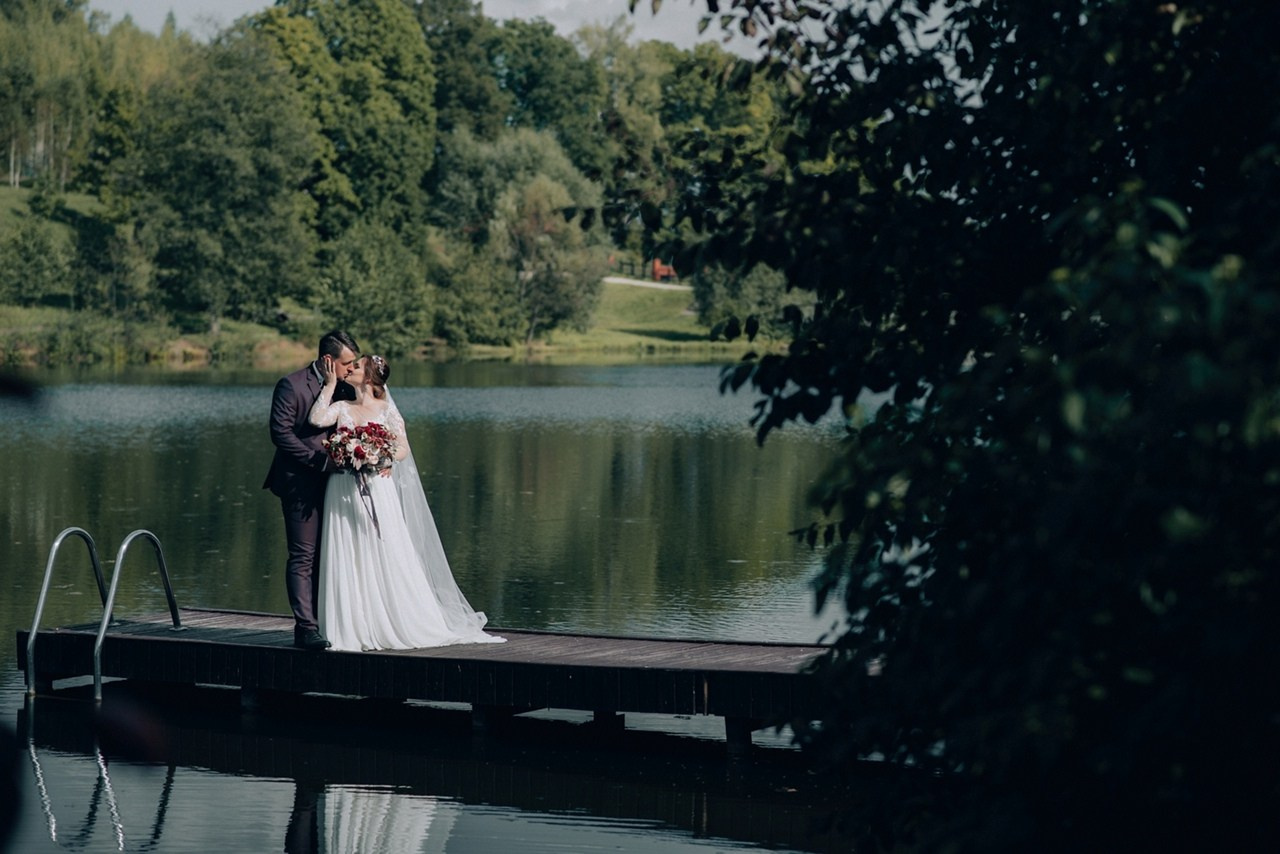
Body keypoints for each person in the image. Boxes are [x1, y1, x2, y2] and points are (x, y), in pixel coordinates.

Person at [309, 354, 505, 651]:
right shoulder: (342, 407)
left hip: (378, 487)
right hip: (343, 487)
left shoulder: (387, 410)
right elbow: (316, 419)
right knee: (348, 551)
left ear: (371, 378)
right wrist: (330, 384)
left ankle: (393, 618)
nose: (351, 369)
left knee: (385, 551)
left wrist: (381, 456)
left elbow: (402, 448)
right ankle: (353, 626)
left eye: (357, 367)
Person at [264, 330, 361, 650]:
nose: (352, 368)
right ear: (328, 360)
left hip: (339, 484)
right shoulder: (290, 385)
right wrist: (319, 461)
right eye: (348, 363)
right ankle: (306, 628)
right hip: (300, 482)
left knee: (333, 552)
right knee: (304, 555)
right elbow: (280, 434)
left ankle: (331, 621)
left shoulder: (348, 388)